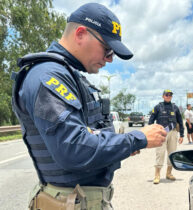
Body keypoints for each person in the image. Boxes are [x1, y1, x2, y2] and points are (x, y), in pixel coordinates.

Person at [11, 3, 166, 209]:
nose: (109, 59)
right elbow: (74, 149)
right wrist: (138, 138)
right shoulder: (47, 76)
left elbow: (88, 136)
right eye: (107, 49)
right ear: (81, 34)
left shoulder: (70, 77)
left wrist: (118, 146)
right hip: (70, 202)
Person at [149, 90, 184, 184]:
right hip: (161, 133)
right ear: (163, 96)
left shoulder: (175, 107)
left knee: (172, 153)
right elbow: (151, 121)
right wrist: (151, 133)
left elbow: (180, 122)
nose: (168, 96)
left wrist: (182, 135)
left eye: (170, 95)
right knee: (160, 153)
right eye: (166, 95)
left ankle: (169, 173)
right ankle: (157, 175)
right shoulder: (157, 107)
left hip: (173, 133)